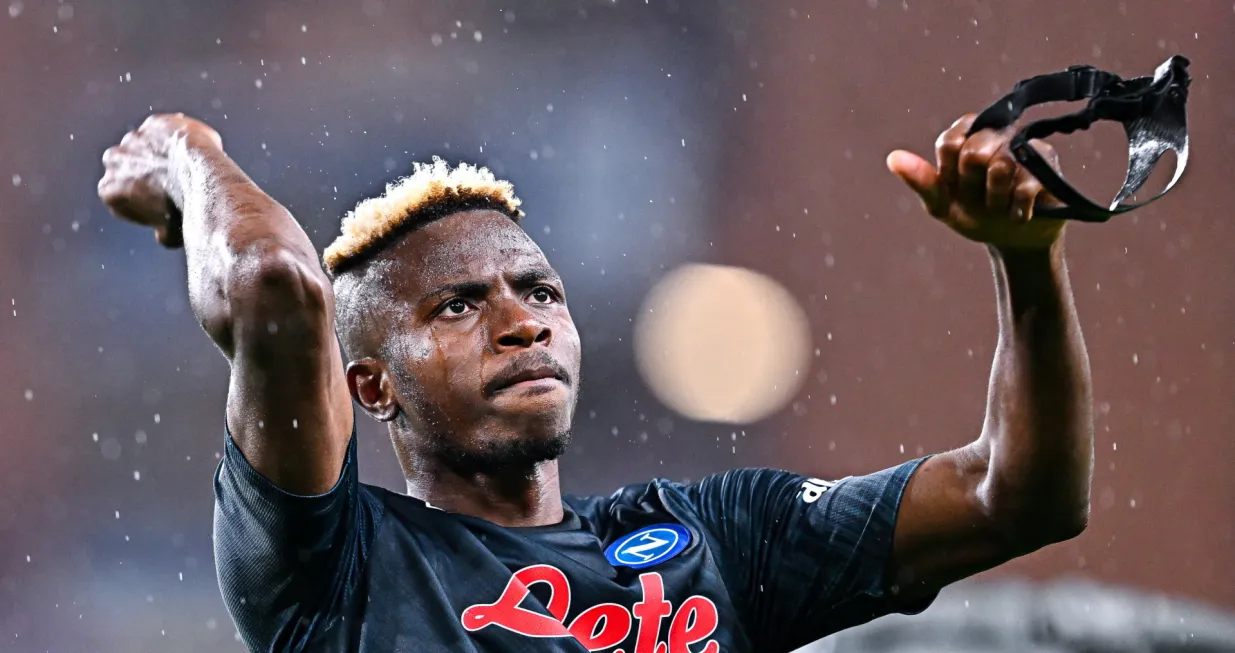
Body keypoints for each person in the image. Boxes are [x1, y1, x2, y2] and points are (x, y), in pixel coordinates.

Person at [96, 111, 1093, 653]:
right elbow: (275, 284)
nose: (520, 318)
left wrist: (1024, 254)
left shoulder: (721, 534)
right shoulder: (339, 564)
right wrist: (189, 154)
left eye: (538, 289)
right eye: (457, 305)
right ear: (373, 386)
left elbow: (1020, 493)